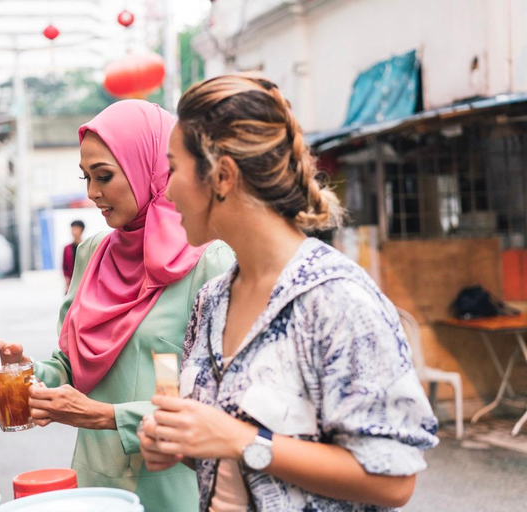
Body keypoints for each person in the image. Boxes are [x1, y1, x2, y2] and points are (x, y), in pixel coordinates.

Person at [137, 74, 439, 511]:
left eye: (174, 168)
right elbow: (226, 456)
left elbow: (394, 481)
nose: (165, 189)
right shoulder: (211, 301)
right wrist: (181, 444)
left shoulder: (336, 299)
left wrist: (240, 439)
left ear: (222, 176)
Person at [0, 99, 235, 511]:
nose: (92, 193)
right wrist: (23, 370)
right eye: (86, 177)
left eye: (104, 176)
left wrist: (104, 415)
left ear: (151, 167)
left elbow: (218, 405)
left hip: (174, 491)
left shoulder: (208, 259)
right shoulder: (93, 253)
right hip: (97, 489)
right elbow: (71, 370)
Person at [62, 220, 85, 292]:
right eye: (72, 229)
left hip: (83, 281)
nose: (73, 231)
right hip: (71, 281)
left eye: (76, 229)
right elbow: (64, 266)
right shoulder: (67, 248)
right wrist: (67, 283)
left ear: (81, 230)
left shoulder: (86, 246)